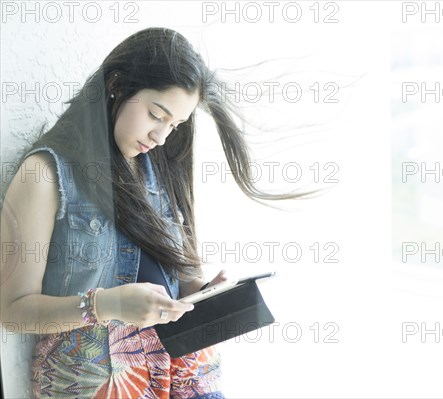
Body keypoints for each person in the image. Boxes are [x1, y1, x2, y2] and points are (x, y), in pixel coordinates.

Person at [0, 27, 302, 399]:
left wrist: (207, 293)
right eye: (156, 114)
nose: (161, 136)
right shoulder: (45, 174)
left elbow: (184, 281)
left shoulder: (162, 168)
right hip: (98, 377)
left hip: (182, 366)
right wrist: (107, 305)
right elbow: (12, 310)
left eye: (174, 124)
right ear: (117, 84)